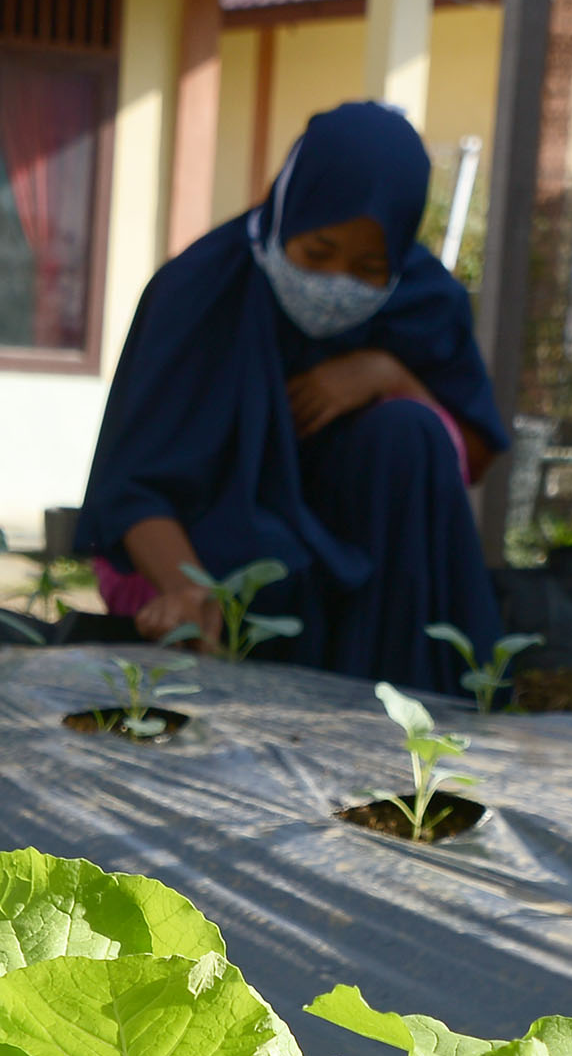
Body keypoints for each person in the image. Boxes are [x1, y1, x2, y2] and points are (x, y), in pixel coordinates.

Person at [76, 102, 507, 687]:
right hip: (211, 534)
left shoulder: (424, 302)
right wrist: (187, 590)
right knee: (267, 560)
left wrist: (387, 376)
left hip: (355, 532)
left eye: (368, 267)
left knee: (412, 432)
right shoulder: (199, 292)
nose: (336, 284)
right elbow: (133, 485)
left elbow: (470, 458)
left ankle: (404, 699)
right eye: (318, 252)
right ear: (288, 209)